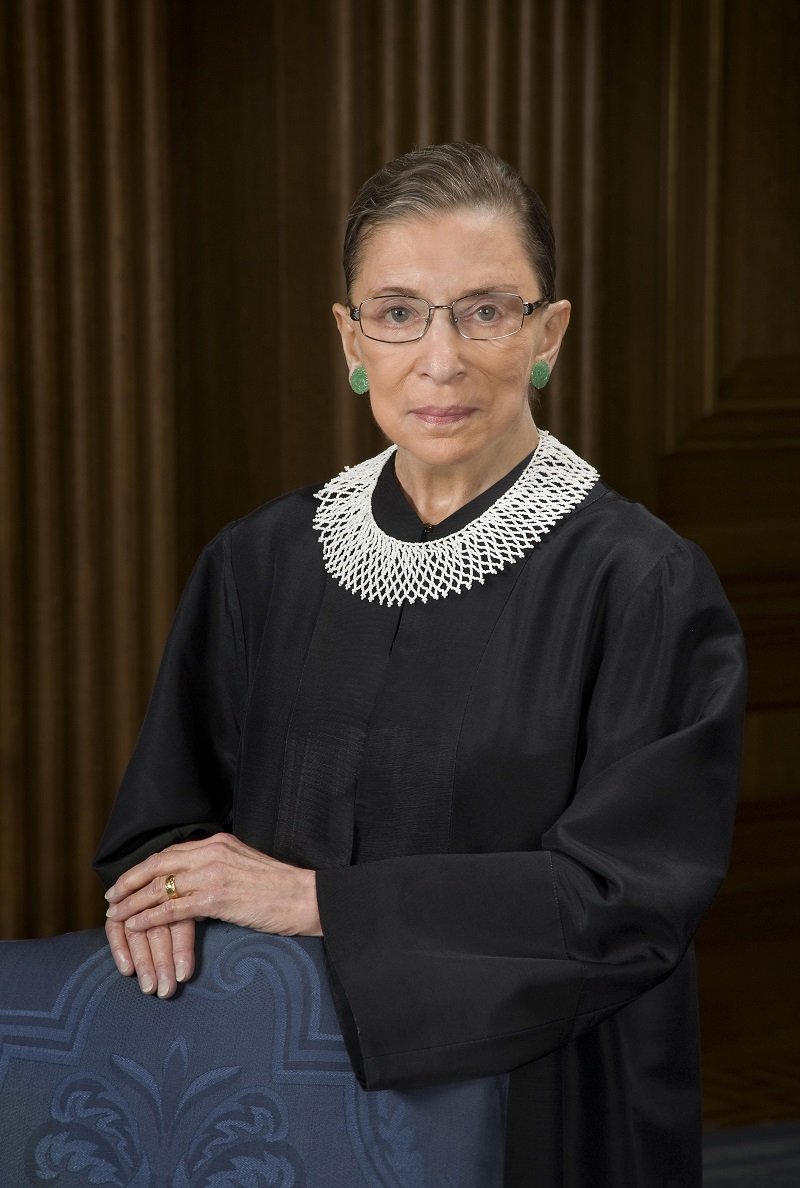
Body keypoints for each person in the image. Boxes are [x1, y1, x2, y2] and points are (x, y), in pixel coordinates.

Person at [95, 142, 747, 1186]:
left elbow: (626, 903)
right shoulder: (254, 564)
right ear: (349, 340)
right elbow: (163, 831)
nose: (439, 360)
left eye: (485, 311)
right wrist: (165, 895)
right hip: (276, 1103)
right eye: (397, 313)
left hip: (543, 1118)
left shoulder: (645, 586)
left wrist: (319, 903)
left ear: (548, 334)